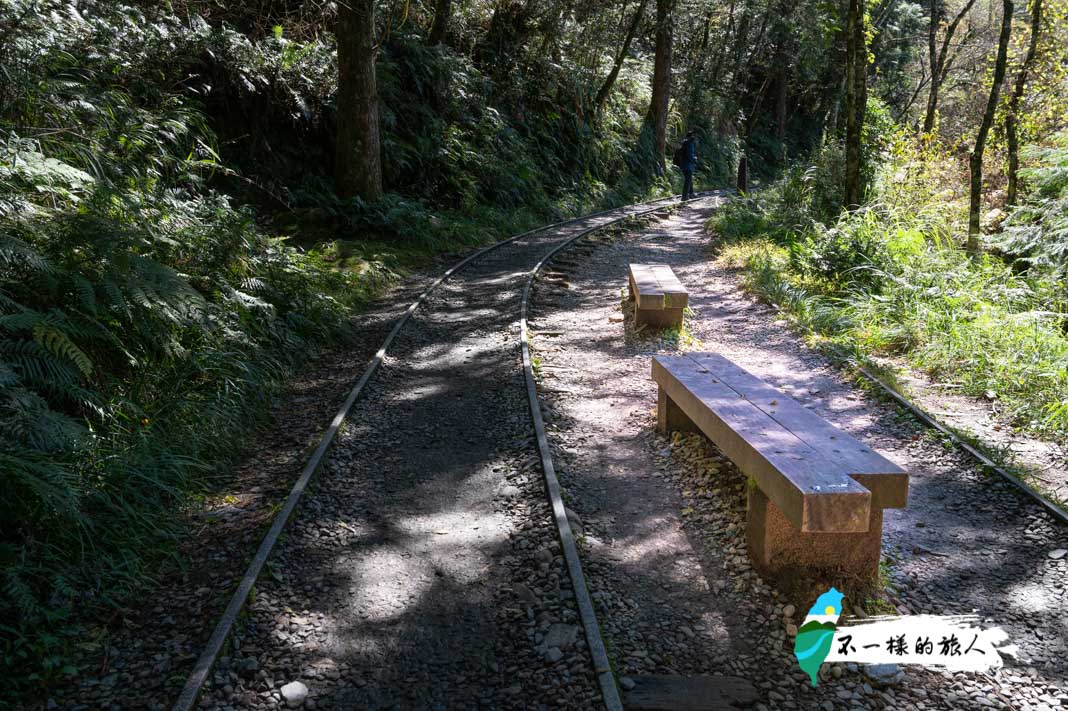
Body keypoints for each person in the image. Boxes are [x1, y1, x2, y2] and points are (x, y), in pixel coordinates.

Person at [680, 129, 697, 200]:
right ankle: (684, 196)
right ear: (691, 137)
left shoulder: (684, 143)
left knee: (689, 179)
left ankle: (691, 194)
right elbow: (689, 155)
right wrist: (694, 158)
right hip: (688, 164)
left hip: (683, 164)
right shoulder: (690, 144)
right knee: (688, 180)